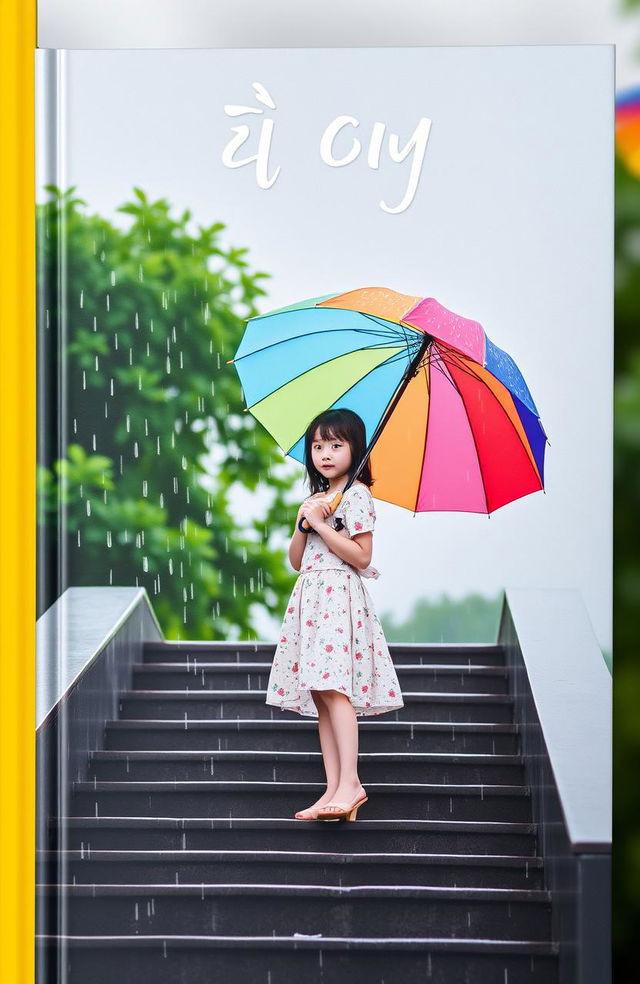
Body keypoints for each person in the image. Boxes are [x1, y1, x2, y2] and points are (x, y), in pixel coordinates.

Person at [265, 407, 404, 822]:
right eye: (318, 446)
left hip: (338, 596)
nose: (324, 453)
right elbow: (295, 559)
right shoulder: (315, 499)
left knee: (336, 689)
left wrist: (325, 526)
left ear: (354, 449)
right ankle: (332, 788)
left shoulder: (358, 495)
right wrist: (303, 524)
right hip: (310, 598)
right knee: (322, 696)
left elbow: (362, 557)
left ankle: (352, 782)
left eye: (336, 445)